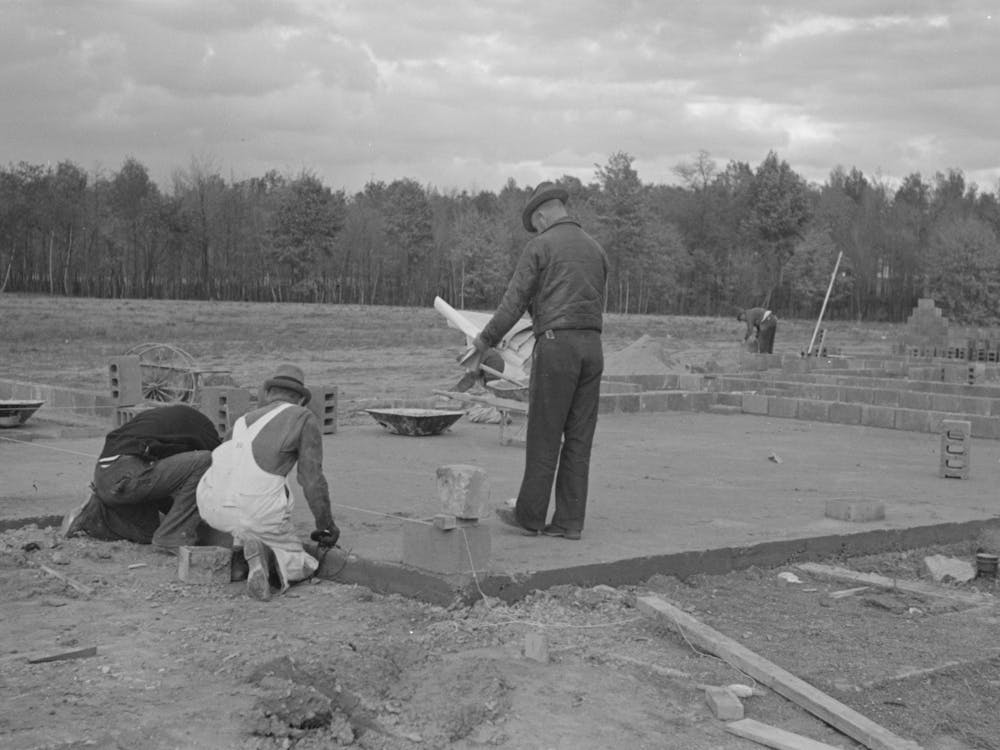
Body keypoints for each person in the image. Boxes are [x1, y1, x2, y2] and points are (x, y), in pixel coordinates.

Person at [463, 181, 608, 541]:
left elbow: (513, 304)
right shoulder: (596, 250)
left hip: (557, 347)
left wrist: (484, 342)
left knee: (545, 433)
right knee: (579, 437)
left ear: (542, 215)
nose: (538, 228)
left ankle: (529, 516)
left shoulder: (540, 246)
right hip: (593, 347)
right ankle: (569, 522)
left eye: (536, 222)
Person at [196, 364, 340, 601]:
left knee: (246, 522)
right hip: (255, 510)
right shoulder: (302, 417)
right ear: (300, 399)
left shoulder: (240, 421)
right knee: (302, 562)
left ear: (269, 393)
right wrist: (326, 526)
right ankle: (271, 558)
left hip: (211, 507)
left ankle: (242, 557)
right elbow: (311, 480)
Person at [62, 404, 221, 552]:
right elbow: (211, 480)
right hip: (128, 473)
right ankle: (172, 538)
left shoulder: (174, 422)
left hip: (104, 478)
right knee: (206, 460)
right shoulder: (209, 437)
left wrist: (179, 514)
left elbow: (170, 482)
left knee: (148, 531)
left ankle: (96, 514)